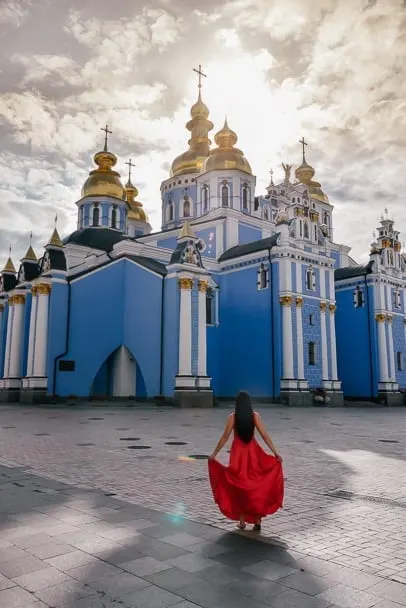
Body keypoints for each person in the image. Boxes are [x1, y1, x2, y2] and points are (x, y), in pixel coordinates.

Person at [208, 391, 284, 531]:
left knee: (239, 486)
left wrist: (214, 454)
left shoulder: (233, 417)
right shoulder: (255, 416)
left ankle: (242, 521)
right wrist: (275, 453)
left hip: (238, 454)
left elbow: (225, 437)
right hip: (253, 452)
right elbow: (265, 436)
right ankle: (257, 520)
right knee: (256, 484)